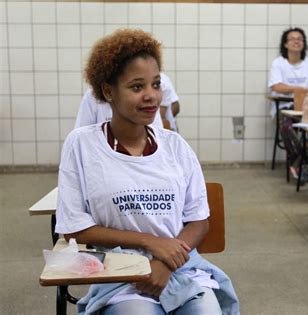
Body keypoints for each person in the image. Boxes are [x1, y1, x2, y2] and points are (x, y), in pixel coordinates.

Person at [55, 28, 239, 315]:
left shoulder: (175, 146)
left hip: (180, 269)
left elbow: (198, 221)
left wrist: (165, 261)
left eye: (156, 84)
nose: (151, 97)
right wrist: (150, 242)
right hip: (119, 274)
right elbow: (74, 227)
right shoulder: (82, 145)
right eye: (137, 87)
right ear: (108, 91)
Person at [268, 27, 308, 115]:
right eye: (292, 39)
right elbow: (276, 86)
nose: (296, 41)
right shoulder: (278, 63)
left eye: (299, 39)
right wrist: (300, 90)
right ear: (285, 44)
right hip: (285, 108)